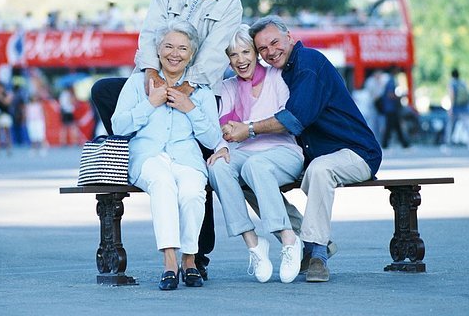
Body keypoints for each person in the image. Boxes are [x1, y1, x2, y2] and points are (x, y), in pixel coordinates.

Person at [91, 0, 242, 279]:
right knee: (103, 90)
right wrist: (150, 76)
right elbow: (149, 34)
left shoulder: (230, 4)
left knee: (196, 174)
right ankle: (129, 146)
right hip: (156, 74)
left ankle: (196, 258)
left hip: (198, 84)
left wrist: (187, 89)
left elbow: (214, 52)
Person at [222, 16, 382, 282]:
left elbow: (295, 118)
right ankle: (305, 239)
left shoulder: (308, 63)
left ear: (289, 37)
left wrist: (248, 128)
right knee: (247, 175)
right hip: (315, 156)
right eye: (263, 49)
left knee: (321, 170)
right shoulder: (282, 72)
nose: (271, 52)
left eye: (274, 42)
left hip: (355, 152)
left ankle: (317, 254)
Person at [111, 21, 221, 290]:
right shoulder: (139, 83)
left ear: (192, 54)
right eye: (168, 46)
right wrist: (150, 104)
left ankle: (190, 260)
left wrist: (190, 108)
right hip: (148, 156)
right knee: (162, 184)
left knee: (194, 191)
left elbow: (212, 139)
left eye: (183, 48)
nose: (175, 53)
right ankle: (170, 263)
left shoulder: (201, 90)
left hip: (186, 157)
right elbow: (118, 126)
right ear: (158, 50)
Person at [207, 25, 305, 283]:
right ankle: (254, 244)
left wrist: (247, 130)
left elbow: (286, 118)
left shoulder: (276, 76)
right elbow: (221, 128)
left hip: (282, 151)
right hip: (246, 153)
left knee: (255, 166)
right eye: (233, 55)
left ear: (255, 52)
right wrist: (222, 147)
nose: (240, 60)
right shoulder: (228, 87)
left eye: (245, 52)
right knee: (217, 167)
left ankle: (288, 239)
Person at [444, 68, 469, 153]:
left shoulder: (452, 83)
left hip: (455, 108)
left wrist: (450, 108)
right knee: (467, 126)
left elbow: (452, 96)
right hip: (465, 108)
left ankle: (447, 145)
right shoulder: (463, 83)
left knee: (450, 126)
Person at [380, 66, 410, 149]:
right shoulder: (391, 81)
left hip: (390, 108)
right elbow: (390, 94)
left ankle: (403, 143)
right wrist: (399, 97)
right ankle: (402, 144)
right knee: (392, 126)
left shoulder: (389, 80)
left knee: (395, 126)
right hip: (391, 108)